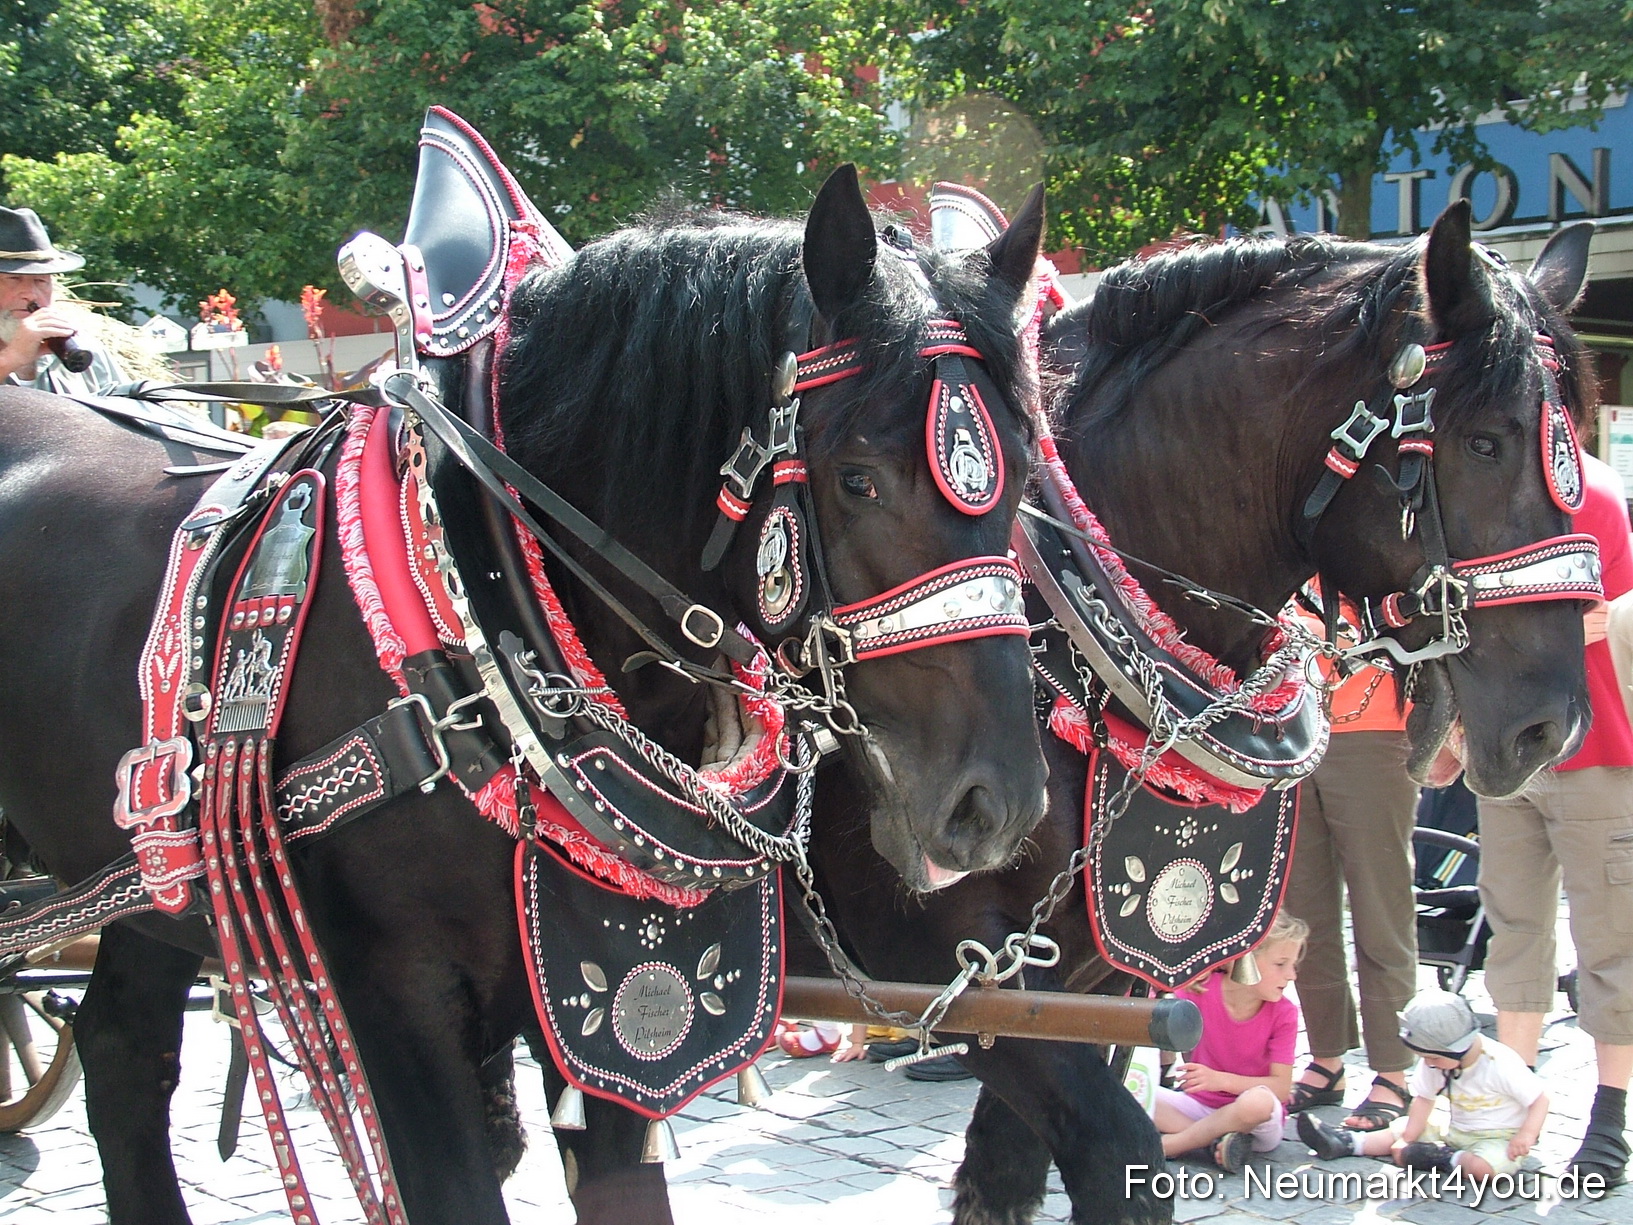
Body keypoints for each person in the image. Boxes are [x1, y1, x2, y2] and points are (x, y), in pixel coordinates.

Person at [1476, 450, 1633, 1188]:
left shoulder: (1592, 491)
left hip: (1599, 746)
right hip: (1512, 752)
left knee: (1609, 941)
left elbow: (1609, 614)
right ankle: (1507, 1112)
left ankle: (1608, 1121)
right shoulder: (1486, 482)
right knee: (1515, 932)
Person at [1284, 594, 1419, 1133]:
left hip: (1376, 729)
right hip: (1290, 731)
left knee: (1380, 907)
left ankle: (1395, 1071)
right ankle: (1327, 1058)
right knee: (1303, 911)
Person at [1298, 989, 1549, 1178]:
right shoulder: (1437, 1062)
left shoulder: (1499, 1063)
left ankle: (1444, 1159)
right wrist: (1407, 1138)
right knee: (1403, 1127)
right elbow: (1424, 1100)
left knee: (1484, 1169)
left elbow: (1539, 1100)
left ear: (1456, 1050)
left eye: (1433, 1057)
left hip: (1500, 1137)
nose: (1428, 1063)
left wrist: (1526, 1134)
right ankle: (1349, 1143)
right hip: (1455, 1129)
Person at [1151, 911, 1308, 1173]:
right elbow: (1151, 1000)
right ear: (1245, 961)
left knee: (1256, 1103)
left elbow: (1280, 1089)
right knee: (1129, 1091)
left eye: (1293, 965)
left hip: (1255, 1121)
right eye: (1281, 964)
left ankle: (1174, 1145)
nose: (1291, 975)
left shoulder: (1285, 1013)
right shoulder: (1200, 990)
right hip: (1200, 1106)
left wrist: (1220, 1080)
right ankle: (1216, 1144)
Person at [0, 206, 128, 395]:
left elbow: (135, 416)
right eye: (13, 279)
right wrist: (11, 358)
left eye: (41, 281)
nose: (31, 294)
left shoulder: (84, 352)